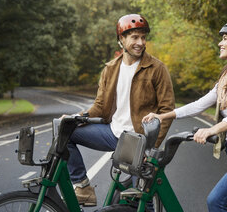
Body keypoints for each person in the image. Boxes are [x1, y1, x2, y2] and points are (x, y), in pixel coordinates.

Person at [143, 20, 227, 212]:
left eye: (225, 39)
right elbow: (200, 104)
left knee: (216, 201)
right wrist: (162, 116)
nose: (220, 43)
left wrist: (212, 129)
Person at [66, 14, 175, 206]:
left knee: (141, 201)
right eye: (134, 37)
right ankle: (83, 187)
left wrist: (149, 147)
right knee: (66, 131)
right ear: (121, 40)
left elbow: (166, 111)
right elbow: (100, 106)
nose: (140, 42)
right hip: (113, 134)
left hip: (139, 141)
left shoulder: (157, 68)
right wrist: (76, 117)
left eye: (143, 37)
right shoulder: (110, 69)